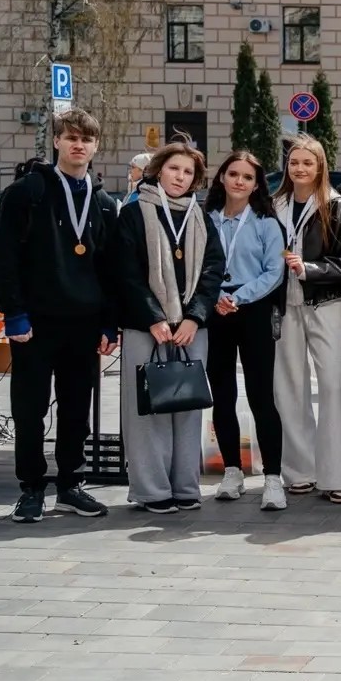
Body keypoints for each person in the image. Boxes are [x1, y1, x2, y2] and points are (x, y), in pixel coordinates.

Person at [0, 108, 119, 523]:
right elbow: (4, 258)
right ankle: (31, 489)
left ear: (96, 146)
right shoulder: (27, 193)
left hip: (84, 324)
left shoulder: (103, 202)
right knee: (30, 409)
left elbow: (110, 269)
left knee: (77, 410)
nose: (79, 145)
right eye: (71, 137)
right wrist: (14, 313)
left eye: (86, 139)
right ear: (57, 141)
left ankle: (70, 485)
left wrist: (109, 322)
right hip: (35, 322)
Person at [117, 142, 227, 514]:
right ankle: (152, 490)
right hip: (145, 327)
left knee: (188, 408)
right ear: (159, 170)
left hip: (191, 329)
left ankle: (185, 486)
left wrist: (195, 317)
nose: (180, 177)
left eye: (188, 172)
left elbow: (213, 270)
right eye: (174, 168)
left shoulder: (200, 216)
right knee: (148, 412)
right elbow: (125, 273)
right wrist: (153, 317)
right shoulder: (134, 212)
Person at [272, 136, 341, 504]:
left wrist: (309, 269)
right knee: (288, 388)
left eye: (308, 162)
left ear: (320, 166)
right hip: (284, 306)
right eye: (294, 162)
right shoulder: (274, 205)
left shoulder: (336, 207)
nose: (300, 169)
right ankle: (299, 471)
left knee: (333, 387)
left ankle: (336, 474)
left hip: (326, 304)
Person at [204, 150, 288, 508]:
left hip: (253, 309)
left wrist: (238, 297)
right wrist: (216, 298)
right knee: (222, 394)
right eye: (233, 174)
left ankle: (273, 478)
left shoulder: (266, 222)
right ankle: (232, 471)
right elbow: (197, 267)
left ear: (256, 186)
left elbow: (274, 272)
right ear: (222, 177)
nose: (239, 181)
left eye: (248, 177)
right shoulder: (205, 219)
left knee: (260, 396)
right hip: (214, 309)